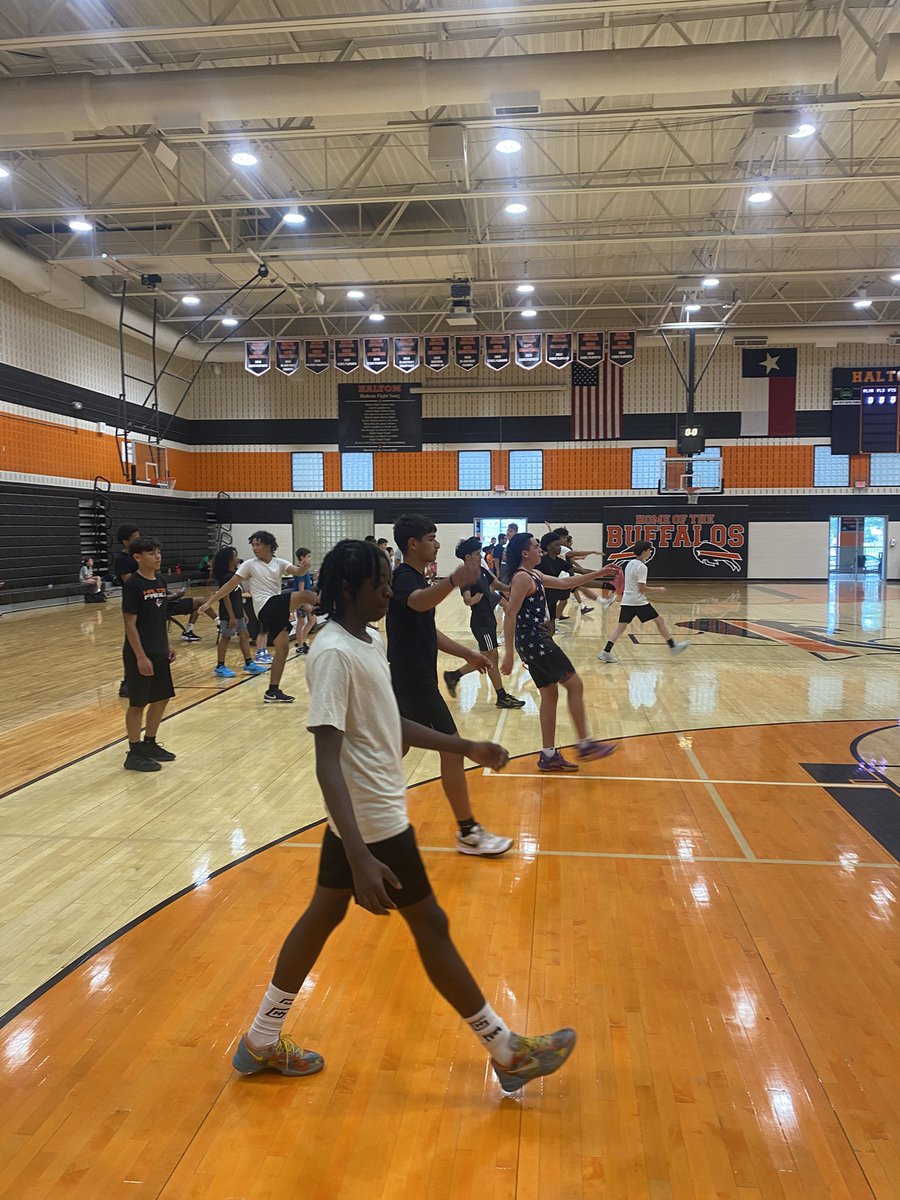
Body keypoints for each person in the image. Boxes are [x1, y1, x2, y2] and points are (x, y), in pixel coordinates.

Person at [230, 539, 576, 1092]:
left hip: (367, 817)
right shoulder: (333, 653)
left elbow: (389, 724)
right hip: (371, 821)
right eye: (381, 585)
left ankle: (260, 1042)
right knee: (432, 927)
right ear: (348, 589)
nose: (390, 592)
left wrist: (464, 747)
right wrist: (362, 854)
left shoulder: (365, 641)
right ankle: (506, 1051)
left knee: (322, 918)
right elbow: (326, 760)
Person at [387, 514, 513, 857]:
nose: (437, 543)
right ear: (413, 543)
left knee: (396, 746)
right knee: (453, 746)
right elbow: (417, 601)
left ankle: (359, 808)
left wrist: (468, 653)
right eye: (431, 538)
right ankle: (468, 831)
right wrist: (454, 581)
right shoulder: (404, 578)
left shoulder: (417, 577)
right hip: (412, 679)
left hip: (412, 677)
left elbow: (428, 629)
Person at [501, 532, 618, 772]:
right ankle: (585, 744)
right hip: (535, 639)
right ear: (525, 553)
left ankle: (548, 754)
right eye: (535, 547)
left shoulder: (534, 574)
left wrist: (597, 574)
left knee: (550, 695)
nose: (539, 550)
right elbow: (510, 613)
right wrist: (509, 654)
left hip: (533, 640)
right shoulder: (522, 577)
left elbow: (565, 583)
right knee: (575, 685)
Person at [199, 531, 317, 704]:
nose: (255, 548)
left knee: (282, 649)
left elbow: (298, 572)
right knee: (305, 594)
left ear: (269, 546)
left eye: (258, 544)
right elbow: (230, 584)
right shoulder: (249, 565)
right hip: (265, 606)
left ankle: (272, 691)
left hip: (276, 609)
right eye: (253, 545)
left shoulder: (280, 563)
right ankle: (340, 608)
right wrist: (210, 602)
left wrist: (305, 566)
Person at [443, 537, 524, 710]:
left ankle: (454, 675)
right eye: (477, 554)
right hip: (480, 622)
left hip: (489, 621)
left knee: (488, 658)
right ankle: (501, 695)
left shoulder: (483, 571)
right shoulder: (466, 575)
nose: (480, 556)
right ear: (467, 557)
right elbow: (466, 599)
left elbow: (499, 585)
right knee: (490, 657)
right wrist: (472, 600)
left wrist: (518, 585)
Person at [120, 538, 177, 773]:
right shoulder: (133, 585)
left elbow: (161, 617)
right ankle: (133, 752)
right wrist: (141, 657)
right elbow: (130, 625)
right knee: (138, 703)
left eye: (159, 552)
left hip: (158, 649)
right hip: (139, 653)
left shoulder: (161, 580)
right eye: (151, 553)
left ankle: (150, 743)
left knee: (161, 697)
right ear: (137, 557)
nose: (157, 556)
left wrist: (167, 643)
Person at [598, 541, 690, 663]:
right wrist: (658, 589)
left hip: (627, 600)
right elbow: (641, 588)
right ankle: (672, 646)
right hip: (638, 601)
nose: (650, 552)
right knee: (659, 620)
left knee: (620, 628)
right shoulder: (642, 567)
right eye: (649, 550)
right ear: (644, 552)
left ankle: (605, 652)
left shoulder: (630, 563)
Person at [210, 546, 268, 678]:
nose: (238, 558)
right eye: (235, 556)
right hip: (228, 614)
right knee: (226, 638)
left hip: (237, 613)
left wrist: (243, 613)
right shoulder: (226, 577)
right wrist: (231, 616)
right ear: (229, 559)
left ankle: (248, 663)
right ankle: (220, 666)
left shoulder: (235, 576)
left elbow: (237, 597)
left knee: (245, 635)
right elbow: (225, 597)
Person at [290, 547, 317, 657]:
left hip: (304, 598)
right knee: (301, 622)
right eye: (308, 556)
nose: (310, 559)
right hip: (301, 600)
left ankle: (301, 641)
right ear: (302, 557)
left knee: (312, 620)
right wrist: (305, 603)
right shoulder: (300, 571)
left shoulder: (304, 571)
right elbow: (301, 589)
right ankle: (300, 645)